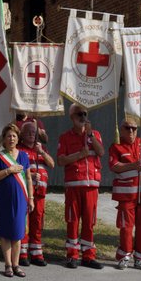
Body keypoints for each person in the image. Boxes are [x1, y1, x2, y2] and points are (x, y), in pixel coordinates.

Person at [56, 104, 105, 269]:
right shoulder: (65, 137)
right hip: (74, 185)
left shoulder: (95, 134)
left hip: (91, 185)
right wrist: (79, 155)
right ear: (72, 117)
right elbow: (61, 160)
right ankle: (72, 255)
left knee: (89, 222)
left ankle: (88, 256)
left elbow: (101, 152)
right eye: (79, 114)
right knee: (72, 220)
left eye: (85, 114)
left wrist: (90, 134)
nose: (82, 117)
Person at [109, 120, 141, 271]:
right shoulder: (116, 145)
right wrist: (133, 165)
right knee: (126, 227)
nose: (131, 131)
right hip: (127, 194)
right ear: (121, 130)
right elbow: (114, 166)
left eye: (134, 128)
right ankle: (124, 256)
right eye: (127, 128)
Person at [0, 124, 34, 277]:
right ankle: (8, 265)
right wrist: (9, 170)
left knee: (17, 232)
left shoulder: (23, 156)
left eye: (14, 136)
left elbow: (28, 178)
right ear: (4, 139)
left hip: (21, 198)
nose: (11, 139)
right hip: (4, 199)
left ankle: (16, 265)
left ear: (18, 138)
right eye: (8, 136)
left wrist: (31, 198)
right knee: (5, 232)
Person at [17, 121, 54, 267]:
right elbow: (17, 168)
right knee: (25, 223)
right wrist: (30, 175)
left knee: (37, 222)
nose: (31, 134)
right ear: (22, 134)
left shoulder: (41, 149)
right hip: (25, 192)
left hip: (40, 193)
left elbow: (51, 164)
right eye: (28, 132)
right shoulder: (19, 150)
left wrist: (42, 153)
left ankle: (36, 252)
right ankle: (23, 253)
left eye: (34, 132)